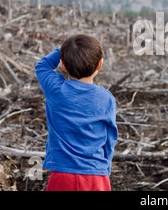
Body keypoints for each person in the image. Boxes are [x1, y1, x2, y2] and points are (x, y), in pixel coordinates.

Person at [35, 33, 118, 191]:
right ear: (99, 64)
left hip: (62, 176)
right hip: (96, 176)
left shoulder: (55, 89)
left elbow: (42, 66)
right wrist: (105, 170)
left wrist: (66, 49)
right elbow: (110, 140)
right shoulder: (107, 99)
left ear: (63, 66)